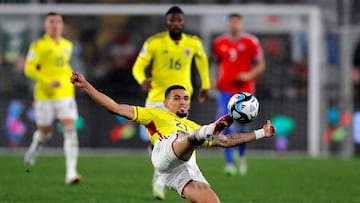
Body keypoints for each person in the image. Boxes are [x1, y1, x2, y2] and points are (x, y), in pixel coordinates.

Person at [71, 71, 275, 203]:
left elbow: (227, 141)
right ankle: (207, 131)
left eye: (186, 98)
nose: (183, 102)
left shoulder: (192, 124)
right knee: (187, 136)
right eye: (176, 98)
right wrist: (87, 86)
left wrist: (261, 133)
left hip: (182, 171)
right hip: (164, 151)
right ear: (166, 103)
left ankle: (206, 132)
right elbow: (114, 107)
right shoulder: (155, 113)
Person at [132, 6, 211, 199]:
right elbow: (138, 66)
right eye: (172, 20)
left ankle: (180, 177)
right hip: (157, 99)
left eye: (179, 20)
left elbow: (202, 61)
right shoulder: (154, 42)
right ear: (167, 23)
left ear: (183, 23)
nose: (176, 24)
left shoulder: (193, 42)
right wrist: (142, 80)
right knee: (158, 142)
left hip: (180, 102)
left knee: (183, 138)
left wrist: (206, 85)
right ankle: (161, 177)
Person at [24, 12, 81, 184]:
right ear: (46, 26)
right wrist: (47, 81)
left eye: (58, 21)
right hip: (44, 96)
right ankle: (35, 147)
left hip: (65, 94)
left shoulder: (68, 45)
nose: (55, 25)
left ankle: (71, 173)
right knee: (45, 133)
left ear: (62, 25)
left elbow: (62, 66)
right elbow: (29, 68)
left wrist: (74, 78)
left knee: (70, 131)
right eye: (51, 22)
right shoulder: (38, 46)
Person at [212, 13, 266, 176]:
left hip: (245, 92)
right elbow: (215, 63)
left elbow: (261, 64)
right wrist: (213, 80)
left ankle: (241, 156)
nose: (234, 25)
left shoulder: (251, 42)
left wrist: (249, 75)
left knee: (243, 127)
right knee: (225, 124)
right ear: (227, 24)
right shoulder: (219, 42)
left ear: (241, 24)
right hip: (225, 90)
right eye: (231, 22)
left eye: (237, 22)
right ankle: (229, 163)